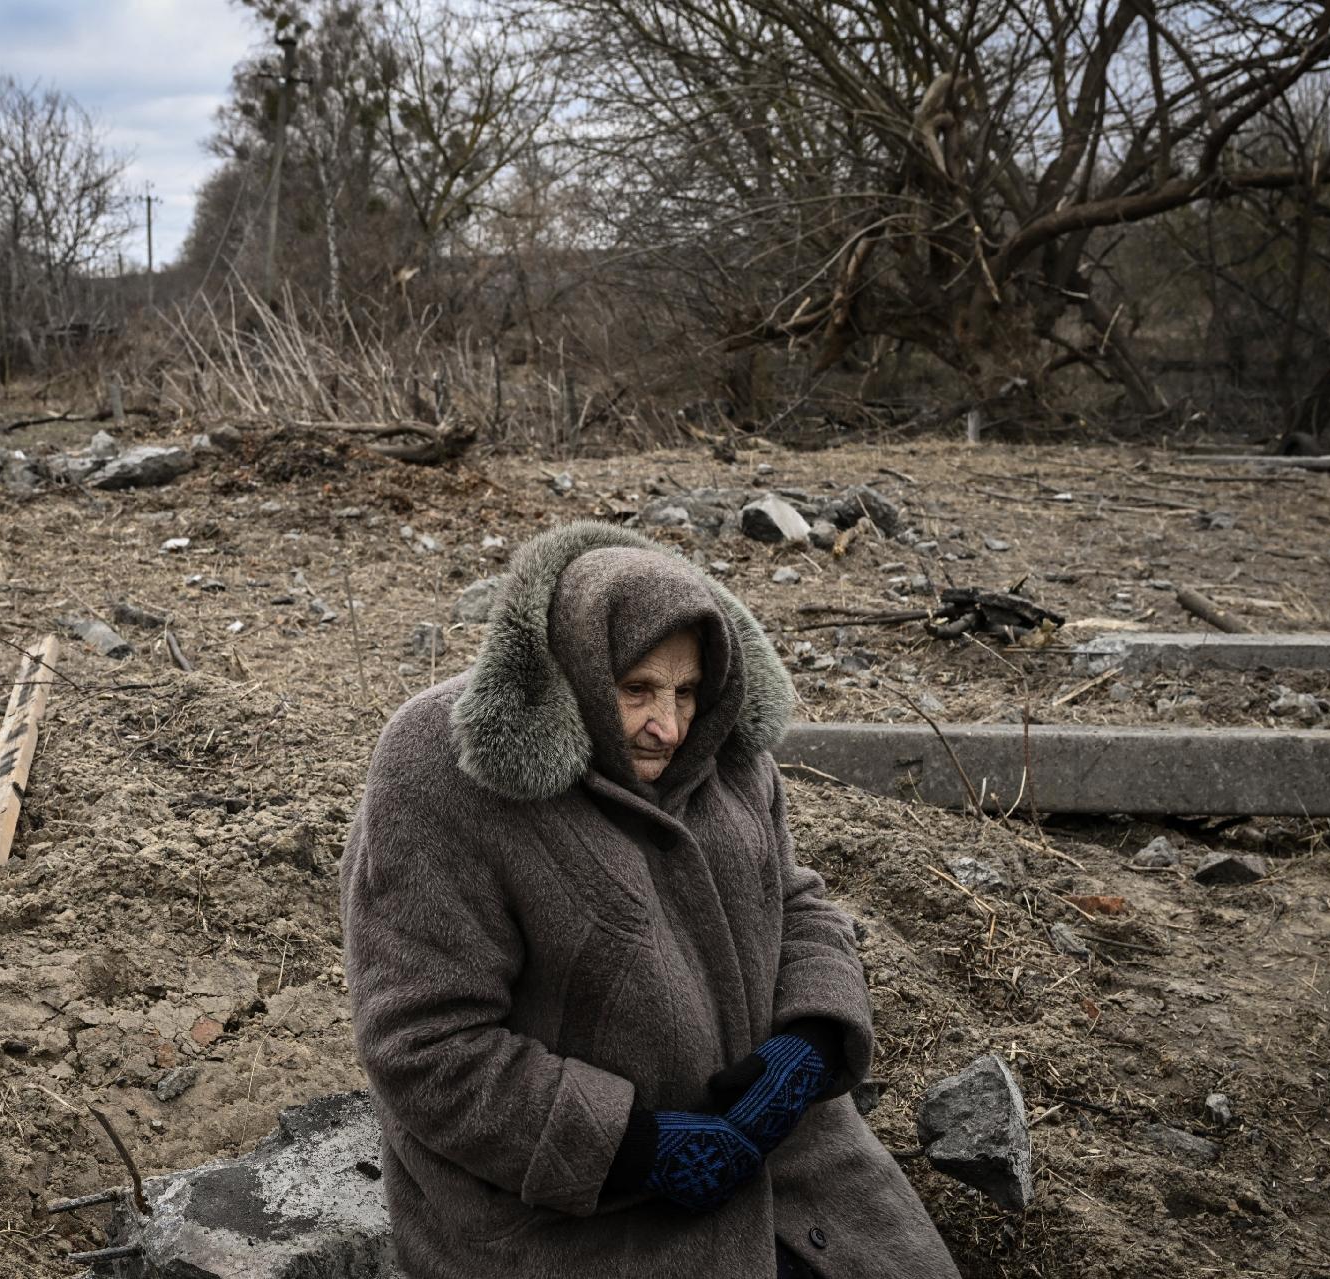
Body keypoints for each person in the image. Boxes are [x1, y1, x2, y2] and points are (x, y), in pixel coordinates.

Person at [341, 522, 959, 1278]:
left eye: (687, 691)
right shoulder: (441, 771)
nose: (668, 726)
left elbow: (797, 903)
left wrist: (810, 1046)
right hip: (571, 1208)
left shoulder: (725, 754)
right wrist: (634, 1147)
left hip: (787, 1154)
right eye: (636, 689)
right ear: (575, 665)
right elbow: (425, 1044)